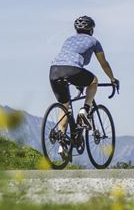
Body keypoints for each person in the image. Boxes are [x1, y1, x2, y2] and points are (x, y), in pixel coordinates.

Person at [49, 16, 119, 144]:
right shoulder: (94, 41)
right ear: (91, 30)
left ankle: (62, 142)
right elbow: (103, 63)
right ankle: (85, 109)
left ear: (76, 29)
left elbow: (67, 59)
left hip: (54, 70)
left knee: (65, 106)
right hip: (73, 70)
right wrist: (112, 79)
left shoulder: (68, 39)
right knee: (94, 81)